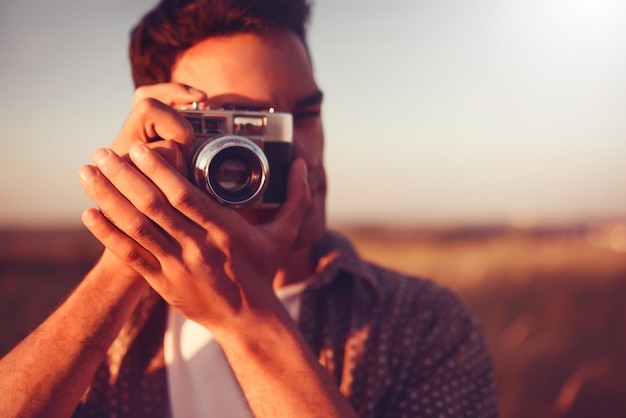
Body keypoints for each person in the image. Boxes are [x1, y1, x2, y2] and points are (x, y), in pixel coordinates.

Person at [0, 0, 498, 417]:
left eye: (302, 115)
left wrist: (248, 318)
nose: (297, 156)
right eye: (232, 128)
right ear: (156, 140)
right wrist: (127, 256)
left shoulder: (423, 324)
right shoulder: (115, 331)